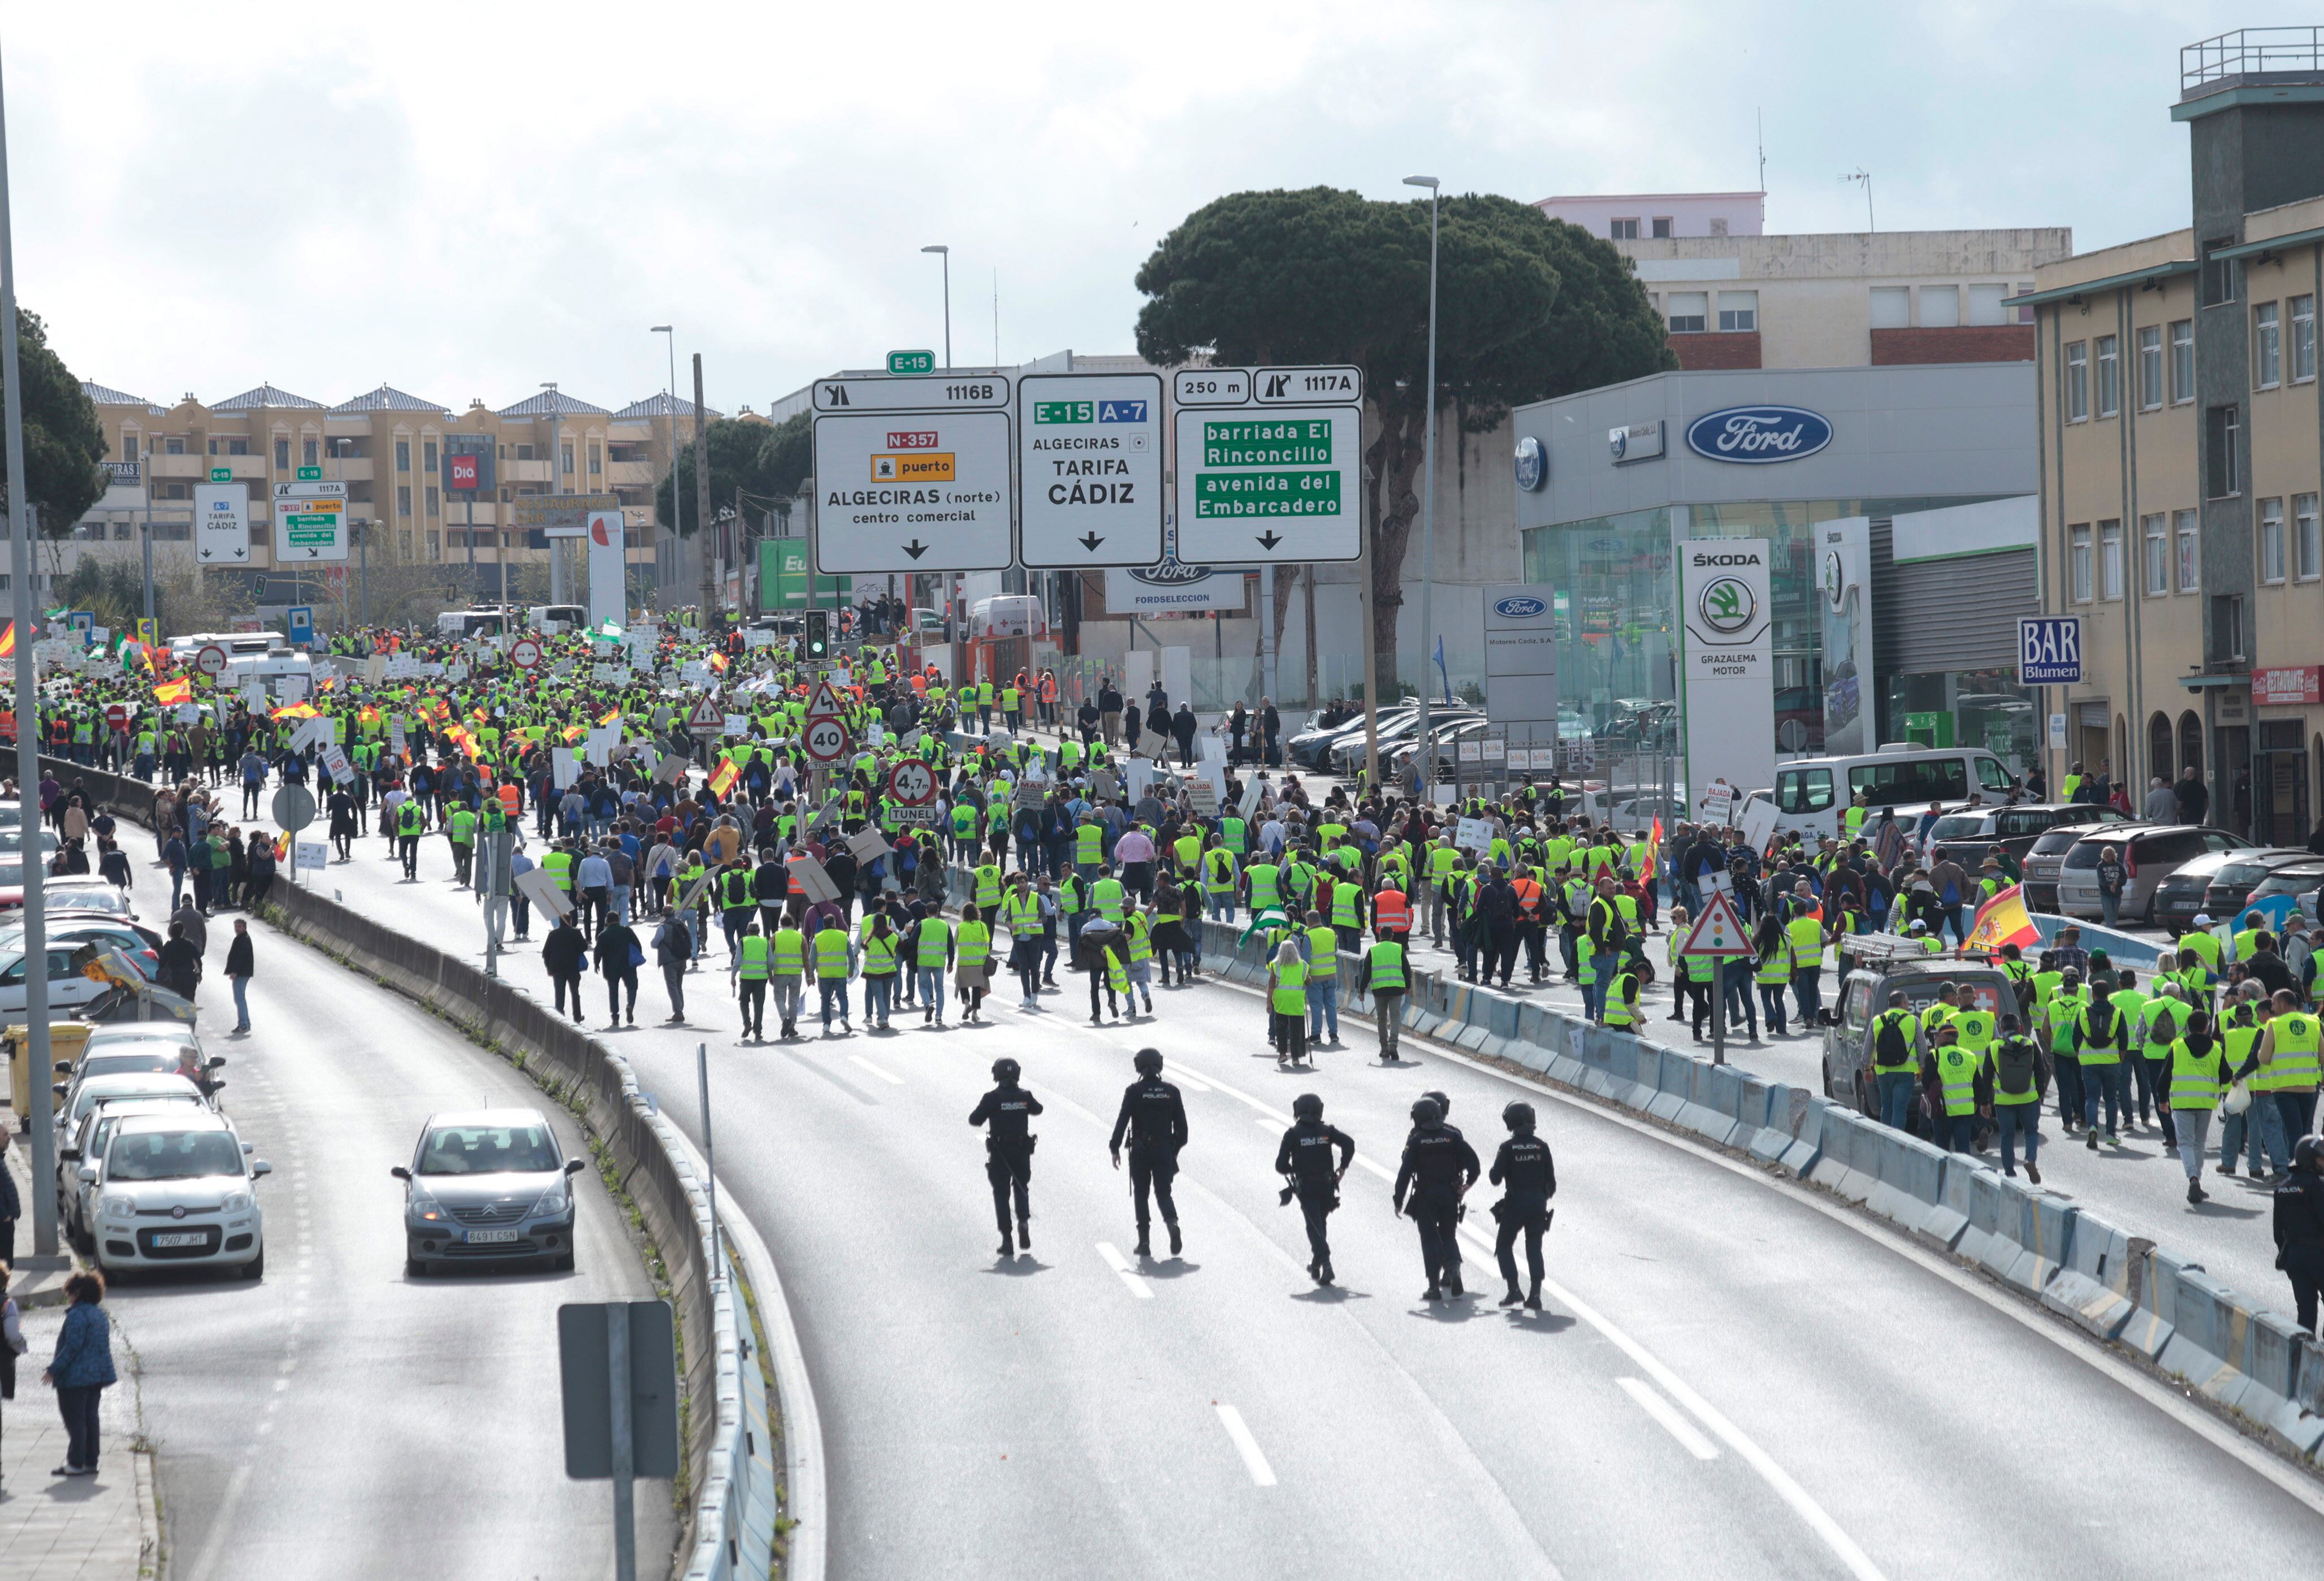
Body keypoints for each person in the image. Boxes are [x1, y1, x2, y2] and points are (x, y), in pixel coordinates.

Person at [1393, 1095, 1480, 1302]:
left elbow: (1405, 1172)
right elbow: (1474, 1162)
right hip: (1450, 1195)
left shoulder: (1416, 1140)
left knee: (1430, 1240)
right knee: (1448, 1235)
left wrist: (1398, 1199)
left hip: (1426, 1197)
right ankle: (1454, 1269)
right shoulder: (1453, 1136)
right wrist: (1467, 1185)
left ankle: (1433, 1287)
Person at [1107, 1047, 1188, 1259]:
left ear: (1139, 1066)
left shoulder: (1133, 1091)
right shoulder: (1172, 1092)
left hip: (1140, 1151)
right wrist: (1173, 1152)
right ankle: (1172, 1224)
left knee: (1141, 1195)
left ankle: (1144, 1243)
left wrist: (1115, 1148)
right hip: (1164, 1151)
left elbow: (1122, 1121)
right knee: (1164, 1193)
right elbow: (1183, 1132)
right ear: (1160, 1064)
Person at [1275, 1093, 1354, 1285]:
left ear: (1298, 1110)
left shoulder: (1293, 1134)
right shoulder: (1327, 1131)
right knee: (1320, 1223)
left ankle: (1326, 1264)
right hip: (1327, 1187)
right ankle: (1317, 1262)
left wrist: (1294, 1169)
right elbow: (1349, 1143)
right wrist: (1342, 1167)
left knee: (1314, 1226)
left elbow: (1280, 1165)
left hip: (1307, 1189)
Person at [44, 1270, 116, 1478]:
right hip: (97, 1377)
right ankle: (90, 1462)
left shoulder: (77, 1315)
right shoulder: (99, 1314)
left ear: (77, 1293)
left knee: (75, 1421)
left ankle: (75, 1463)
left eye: (69, 1293)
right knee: (91, 1419)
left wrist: (53, 1370)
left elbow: (72, 1347)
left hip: (74, 1379)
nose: (68, 1297)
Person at [970, 1057, 1043, 1258]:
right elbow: (1038, 1109)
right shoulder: (1025, 1096)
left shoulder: (991, 1098)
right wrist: (1019, 1105)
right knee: (1021, 1187)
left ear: (997, 1074)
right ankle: (1024, 1222)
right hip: (1021, 1151)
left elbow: (974, 1120)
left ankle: (1007, 1239)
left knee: (1001, 1194)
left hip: (1000, 1153)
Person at [1488, 1101, 1557, 1311]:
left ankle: (1514, 1289)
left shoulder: (1507, 1148)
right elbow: (1552, 1184)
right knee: (1534, 1246)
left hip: (1516, 1204)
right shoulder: (1542, 1147)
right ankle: (1535, 1295)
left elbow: (1494, 1178)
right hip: (1538, 1204)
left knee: (1503, 1245)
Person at [2167, 1011, 2231, 1205]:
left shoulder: (2177, 1046)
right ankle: (2198, 1182)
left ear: (2189, 1027)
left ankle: (2193, 1178)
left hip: (2182, 1102)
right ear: (2206, 1027)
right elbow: (2227, 1076)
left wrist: (2163, 1098)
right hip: (2205, 1103)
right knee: (2199, 1143)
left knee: (2185, 1144)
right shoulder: (2217, 1049)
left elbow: (2165, 1074)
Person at [2275, 1136, 2324, 1334]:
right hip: (2320, 1255)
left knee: (2305, 1312)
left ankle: (2303, 1358)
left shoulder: (2282, 1189)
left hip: (2295, 1257)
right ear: (2310, 1159)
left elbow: (2278, 1233)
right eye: (2321, 1158)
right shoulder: (2317, 1187)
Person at [1356, 930, 1407, 1064]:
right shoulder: (1398, 948)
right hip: (1396, 989)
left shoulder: (1373, 950)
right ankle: (1393, 1045)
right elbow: (1406, 969)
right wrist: (1408, 986)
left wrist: (1361, 990)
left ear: (1379, 936)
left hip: (1379, 990)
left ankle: (1384, 1048)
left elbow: (1366, 972)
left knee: (1382, 1019)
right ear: (1392, 936)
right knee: (1395, 1018)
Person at [543, 913, 588, 1023]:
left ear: (560, 922)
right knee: (575, 992)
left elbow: (546, 953)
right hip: (572, 967)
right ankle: (577, 1017)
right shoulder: (575, 933)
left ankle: (560, 1016)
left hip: (557, 968)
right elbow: (584, 947)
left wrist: (549, 968)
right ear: (570, 921)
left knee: (559, 992)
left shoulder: (553, 934)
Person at [654, 908, 692, 1025]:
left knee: (672, 987)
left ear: (663, 915)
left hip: (669, 961)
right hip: (682, 959)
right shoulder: (682, 925)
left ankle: (678, 1012)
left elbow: (654, 943)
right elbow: (690, 940)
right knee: (679, 986)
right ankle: (680, 1008)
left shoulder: (663, 928)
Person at [224, 919, 255, 1034]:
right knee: (240, 998)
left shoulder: (243, 940)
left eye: (240, 927)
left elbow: (241, 957)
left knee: (239, 998)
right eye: (236, 927)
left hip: (242, 973)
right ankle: (246, 1023)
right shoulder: (242, 938)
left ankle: (243, 1024)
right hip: (243, 972)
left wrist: (235, 971)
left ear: (245, 928)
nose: (237, 929)